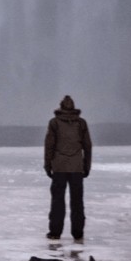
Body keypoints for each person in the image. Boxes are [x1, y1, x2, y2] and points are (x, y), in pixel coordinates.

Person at [44, 94, 92, 242]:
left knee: (57, 201)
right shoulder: (81, 123)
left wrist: (47, 165)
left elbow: (49, 146)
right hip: (77, 167)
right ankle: (78, 234)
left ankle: (55, 233)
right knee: (77, 201)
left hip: (59, 167)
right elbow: (87, 146)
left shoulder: (54, 122)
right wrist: (87, 166)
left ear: (61, 107)